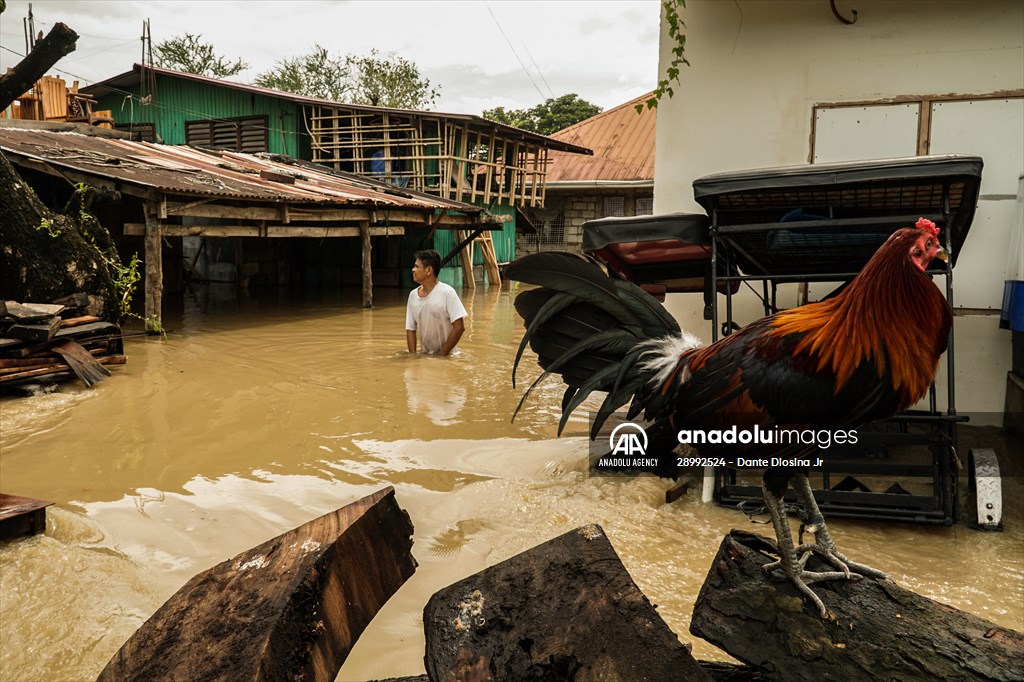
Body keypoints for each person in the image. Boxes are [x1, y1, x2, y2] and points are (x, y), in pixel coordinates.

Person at [406, 249, 467, 356]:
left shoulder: (447, 293)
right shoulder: (412, 296)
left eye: (416, 266)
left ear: (429, 270)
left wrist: (442, 353)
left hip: (449, 355)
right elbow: (410, 329)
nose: (413, 269)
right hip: (425, 355)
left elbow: (459, 327)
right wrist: (412, 357)